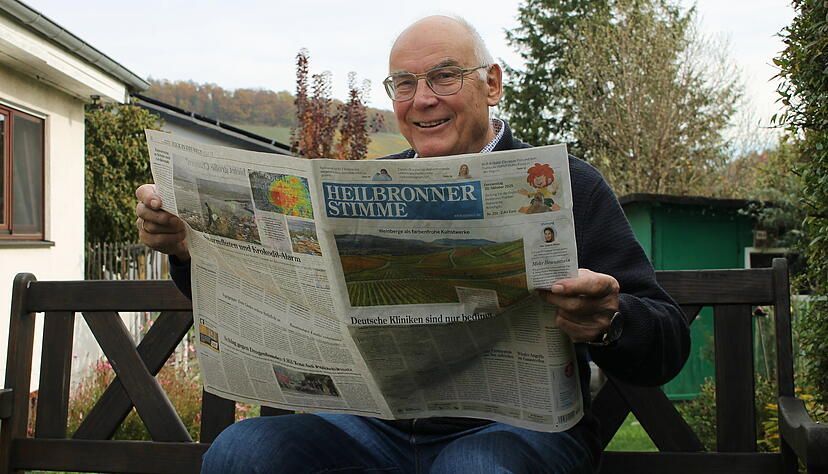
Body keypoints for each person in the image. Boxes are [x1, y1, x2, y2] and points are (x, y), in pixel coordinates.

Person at [135, 15, 689, 474]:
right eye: (404, 83)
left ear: (492, 83)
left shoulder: (565, 185)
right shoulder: (363, 186)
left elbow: (666, 341)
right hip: (367, 429)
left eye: (445, 77)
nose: (422, 100)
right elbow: (272, 289)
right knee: (242, 452)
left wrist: (610, 319)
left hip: (513, 434)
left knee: (474, 470)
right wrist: (187, 248)